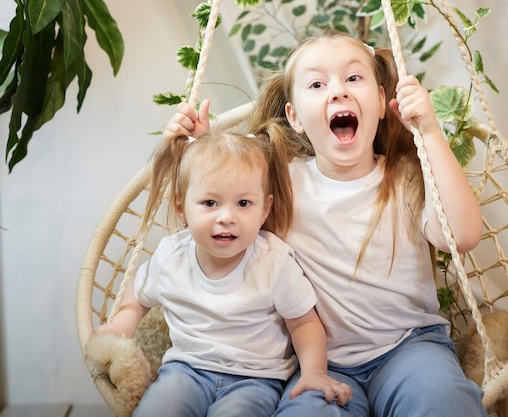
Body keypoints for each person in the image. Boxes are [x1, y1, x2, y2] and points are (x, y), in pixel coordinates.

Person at [164, 29, 486, 416]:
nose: (338, 91)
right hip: (320, 364)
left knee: (444, 402)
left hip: (410, 347)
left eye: (353, 78)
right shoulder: (282, 180)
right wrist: (201, 149)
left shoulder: (405, 177)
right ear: (295, 117)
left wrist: (430, 132)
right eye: (317, 83)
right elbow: (222, 204)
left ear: (382, 102)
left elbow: (463, 236)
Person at [95, 125, 352, 417]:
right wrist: (121, 327)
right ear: (182, 208)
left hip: (255, 380)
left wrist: (314, 371)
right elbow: (137, 297)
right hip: (185, 371)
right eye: (209, 203)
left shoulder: (273, 262)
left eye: (244, 203)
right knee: (156, 409)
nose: (226, 217)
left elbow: (304, 322)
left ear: (264, 210)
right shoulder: (171, 257)